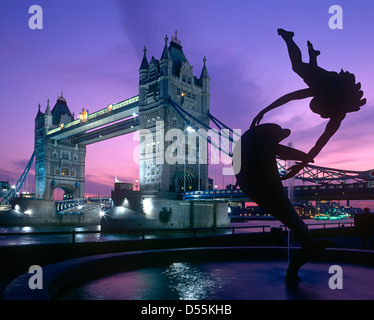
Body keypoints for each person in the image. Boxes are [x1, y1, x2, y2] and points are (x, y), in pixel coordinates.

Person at [251, 29, 366, 179]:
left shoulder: (337, 114)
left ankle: (308, 52)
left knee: (306, 71)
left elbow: (320, 143)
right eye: (318, 111)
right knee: (298, 66)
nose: (319, 115)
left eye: (317, 113)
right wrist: (264, 111)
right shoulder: (322, 89)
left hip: (331, 85)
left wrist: (301, 166)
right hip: (331, 81)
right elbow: (290, 97)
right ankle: (290, 38)